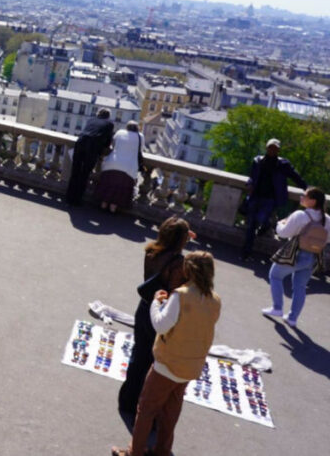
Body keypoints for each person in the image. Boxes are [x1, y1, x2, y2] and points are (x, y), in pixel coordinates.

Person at [112, 251, 221, 456]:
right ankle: (162, 451)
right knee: (170, 412)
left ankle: (134, 452)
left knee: (146, 410)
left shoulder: (181, 295)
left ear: (188, 270)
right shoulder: (215, 300)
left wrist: (157, 302)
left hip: (168, 364)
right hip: (191, 367)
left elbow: (161, 325)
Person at [117, 217, 192, 414]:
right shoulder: (178, 263)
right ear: (181, 239)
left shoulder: (151, 251)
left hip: (143, 308)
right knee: (152, 362)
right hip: (159, 313)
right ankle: (140, 407)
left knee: (138, 355)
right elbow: (176, 289)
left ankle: (126, 399)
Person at [262, 187, 329, 327]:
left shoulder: (300, 215)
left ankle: (277, 308)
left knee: (275, 275)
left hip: (295, 254)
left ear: (313, 201)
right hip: (313, 257)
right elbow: (327, 239)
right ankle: (292, 318)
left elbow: (283, 234)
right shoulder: (327, 219)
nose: (301, 198)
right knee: (300, 286)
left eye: (304, 196)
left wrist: (280, 224)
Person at [241, 138, 307, 259]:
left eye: (275, 148)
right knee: (251, 224)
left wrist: (306, 188)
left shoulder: (283, 165)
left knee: (260, 219)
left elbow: (295, 176)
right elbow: (252, 176)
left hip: (270, 198)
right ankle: (246, 252)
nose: (272, 150)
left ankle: (267, 225)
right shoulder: (257, 161)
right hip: (256, 196)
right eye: (271, 147)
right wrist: (249, 184)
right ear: (267, 148)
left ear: (278, 150)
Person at [66, 108, 115, 206]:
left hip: (80, 142)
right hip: (92, 147)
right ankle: (77, 200)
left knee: (75, 171)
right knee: (84, 174)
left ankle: (69, 197)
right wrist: (102, 150)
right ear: (108, 116)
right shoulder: (109, 124)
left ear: (98, 114)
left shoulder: (91, 120)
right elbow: (108, 140)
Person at [97, 120, 146, 213]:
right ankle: (113, 208)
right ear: (137, 128)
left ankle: (103, 204)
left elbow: (113, 145)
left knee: (108, 184)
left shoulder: (119, 132)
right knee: (121, 188)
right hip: (129, 167)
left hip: (112, 162)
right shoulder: (140, 136)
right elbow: (140, 150)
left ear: (127, 127)